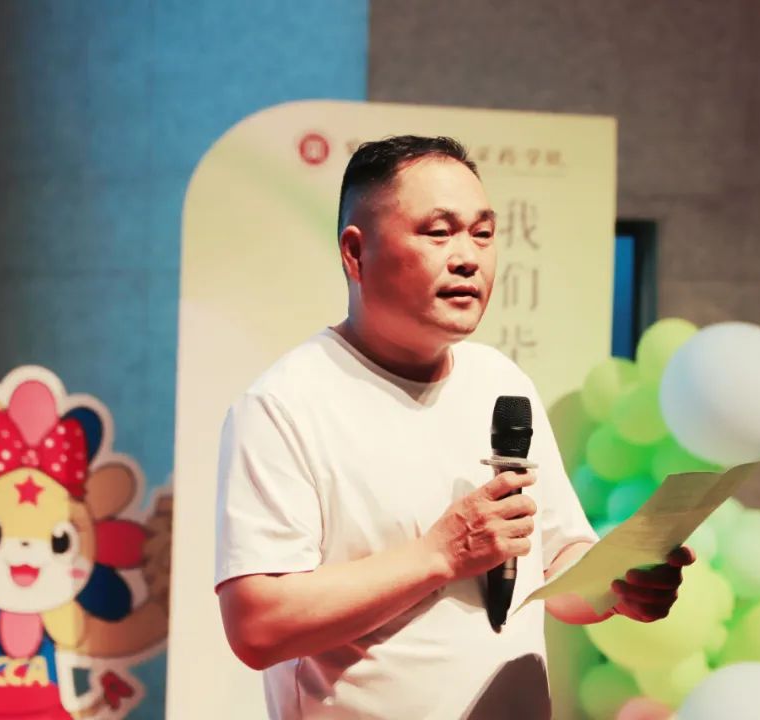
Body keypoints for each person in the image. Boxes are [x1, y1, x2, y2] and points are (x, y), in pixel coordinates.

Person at [213, 135, 693, 719]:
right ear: (355, 253)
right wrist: (441, 554)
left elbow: (554, 561)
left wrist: (615, 585)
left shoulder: (500, 380)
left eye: (483, 234)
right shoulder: (284, 404)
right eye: (438, 232)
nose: (468, 257)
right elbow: (258, 626)